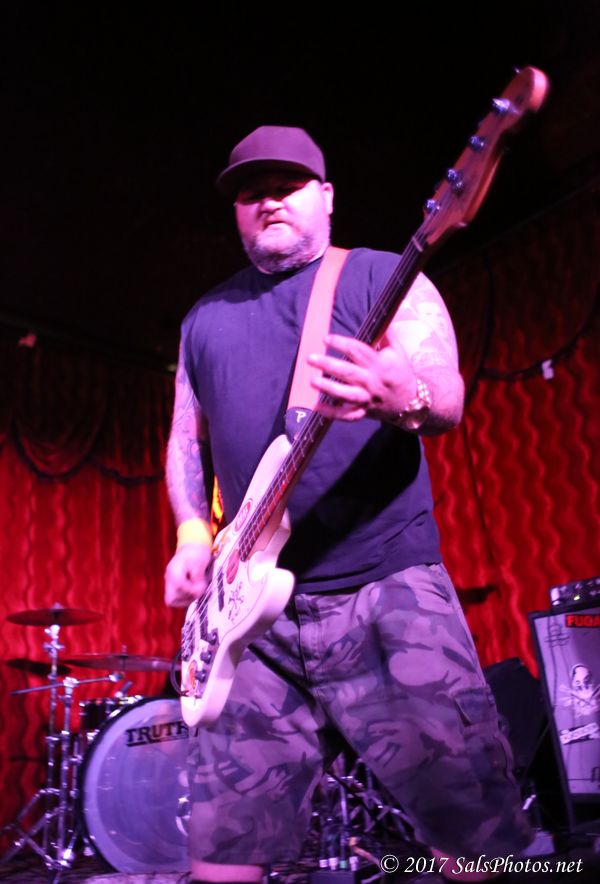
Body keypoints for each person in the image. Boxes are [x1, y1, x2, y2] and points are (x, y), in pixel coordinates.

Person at [164, 126, 533, 883]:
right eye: (251, 191)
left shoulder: (381, 276)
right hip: (252, 629)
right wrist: (194, 536)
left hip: (385, 594)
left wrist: (404, 394)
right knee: (220, 859)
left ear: (327, 197)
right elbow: (181, 440)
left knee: (481, 849)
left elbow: (446, 394)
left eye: (287, 185)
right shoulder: (204, 319)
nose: (268, 201)